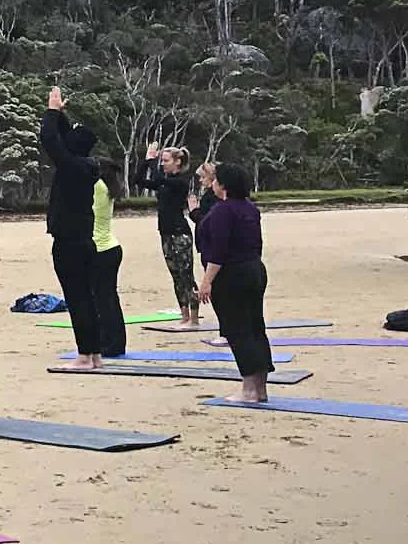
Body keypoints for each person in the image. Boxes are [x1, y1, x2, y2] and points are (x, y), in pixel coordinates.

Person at [40, 88, 104, 370]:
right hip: (84, 242)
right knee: (86, 298)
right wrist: (61, 114)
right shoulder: (85, 165)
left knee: (77, 298)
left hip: (69, 242)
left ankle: (84, 356)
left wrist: (52, 111)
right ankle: (95, 354)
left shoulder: (71, 167)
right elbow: (63, 140)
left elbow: (51, 141)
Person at [198, 164, 273, 402]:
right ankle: (259, 388)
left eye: (216, 180)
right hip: (254, 269)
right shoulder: (250, 209)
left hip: (232, 274)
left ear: (223, 185)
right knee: (254, 328)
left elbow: (219, 251)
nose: (212, 184)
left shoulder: (223, 210)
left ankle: (249, 390)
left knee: (238, 330)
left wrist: (206, 281)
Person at [140, 143, 200, 325]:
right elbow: (138, 180)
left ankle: (194, 318)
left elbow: (158, 178)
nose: (163, 164)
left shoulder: (180, 182)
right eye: (162, 160)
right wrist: (146, 161)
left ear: (178, 162)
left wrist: (151, 161)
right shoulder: (164, 183)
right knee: (175, 275)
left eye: (165, 161)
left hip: (180, 234)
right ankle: (184, 316)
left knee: (186, 275)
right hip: (165, 233)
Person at [91, 160, 127, 359]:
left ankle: (109, 343)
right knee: (110, 298)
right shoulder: (108, 187)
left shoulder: (97, 186)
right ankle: (116, 342)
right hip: (110, 247)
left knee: (103, 300)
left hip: (100, 250)